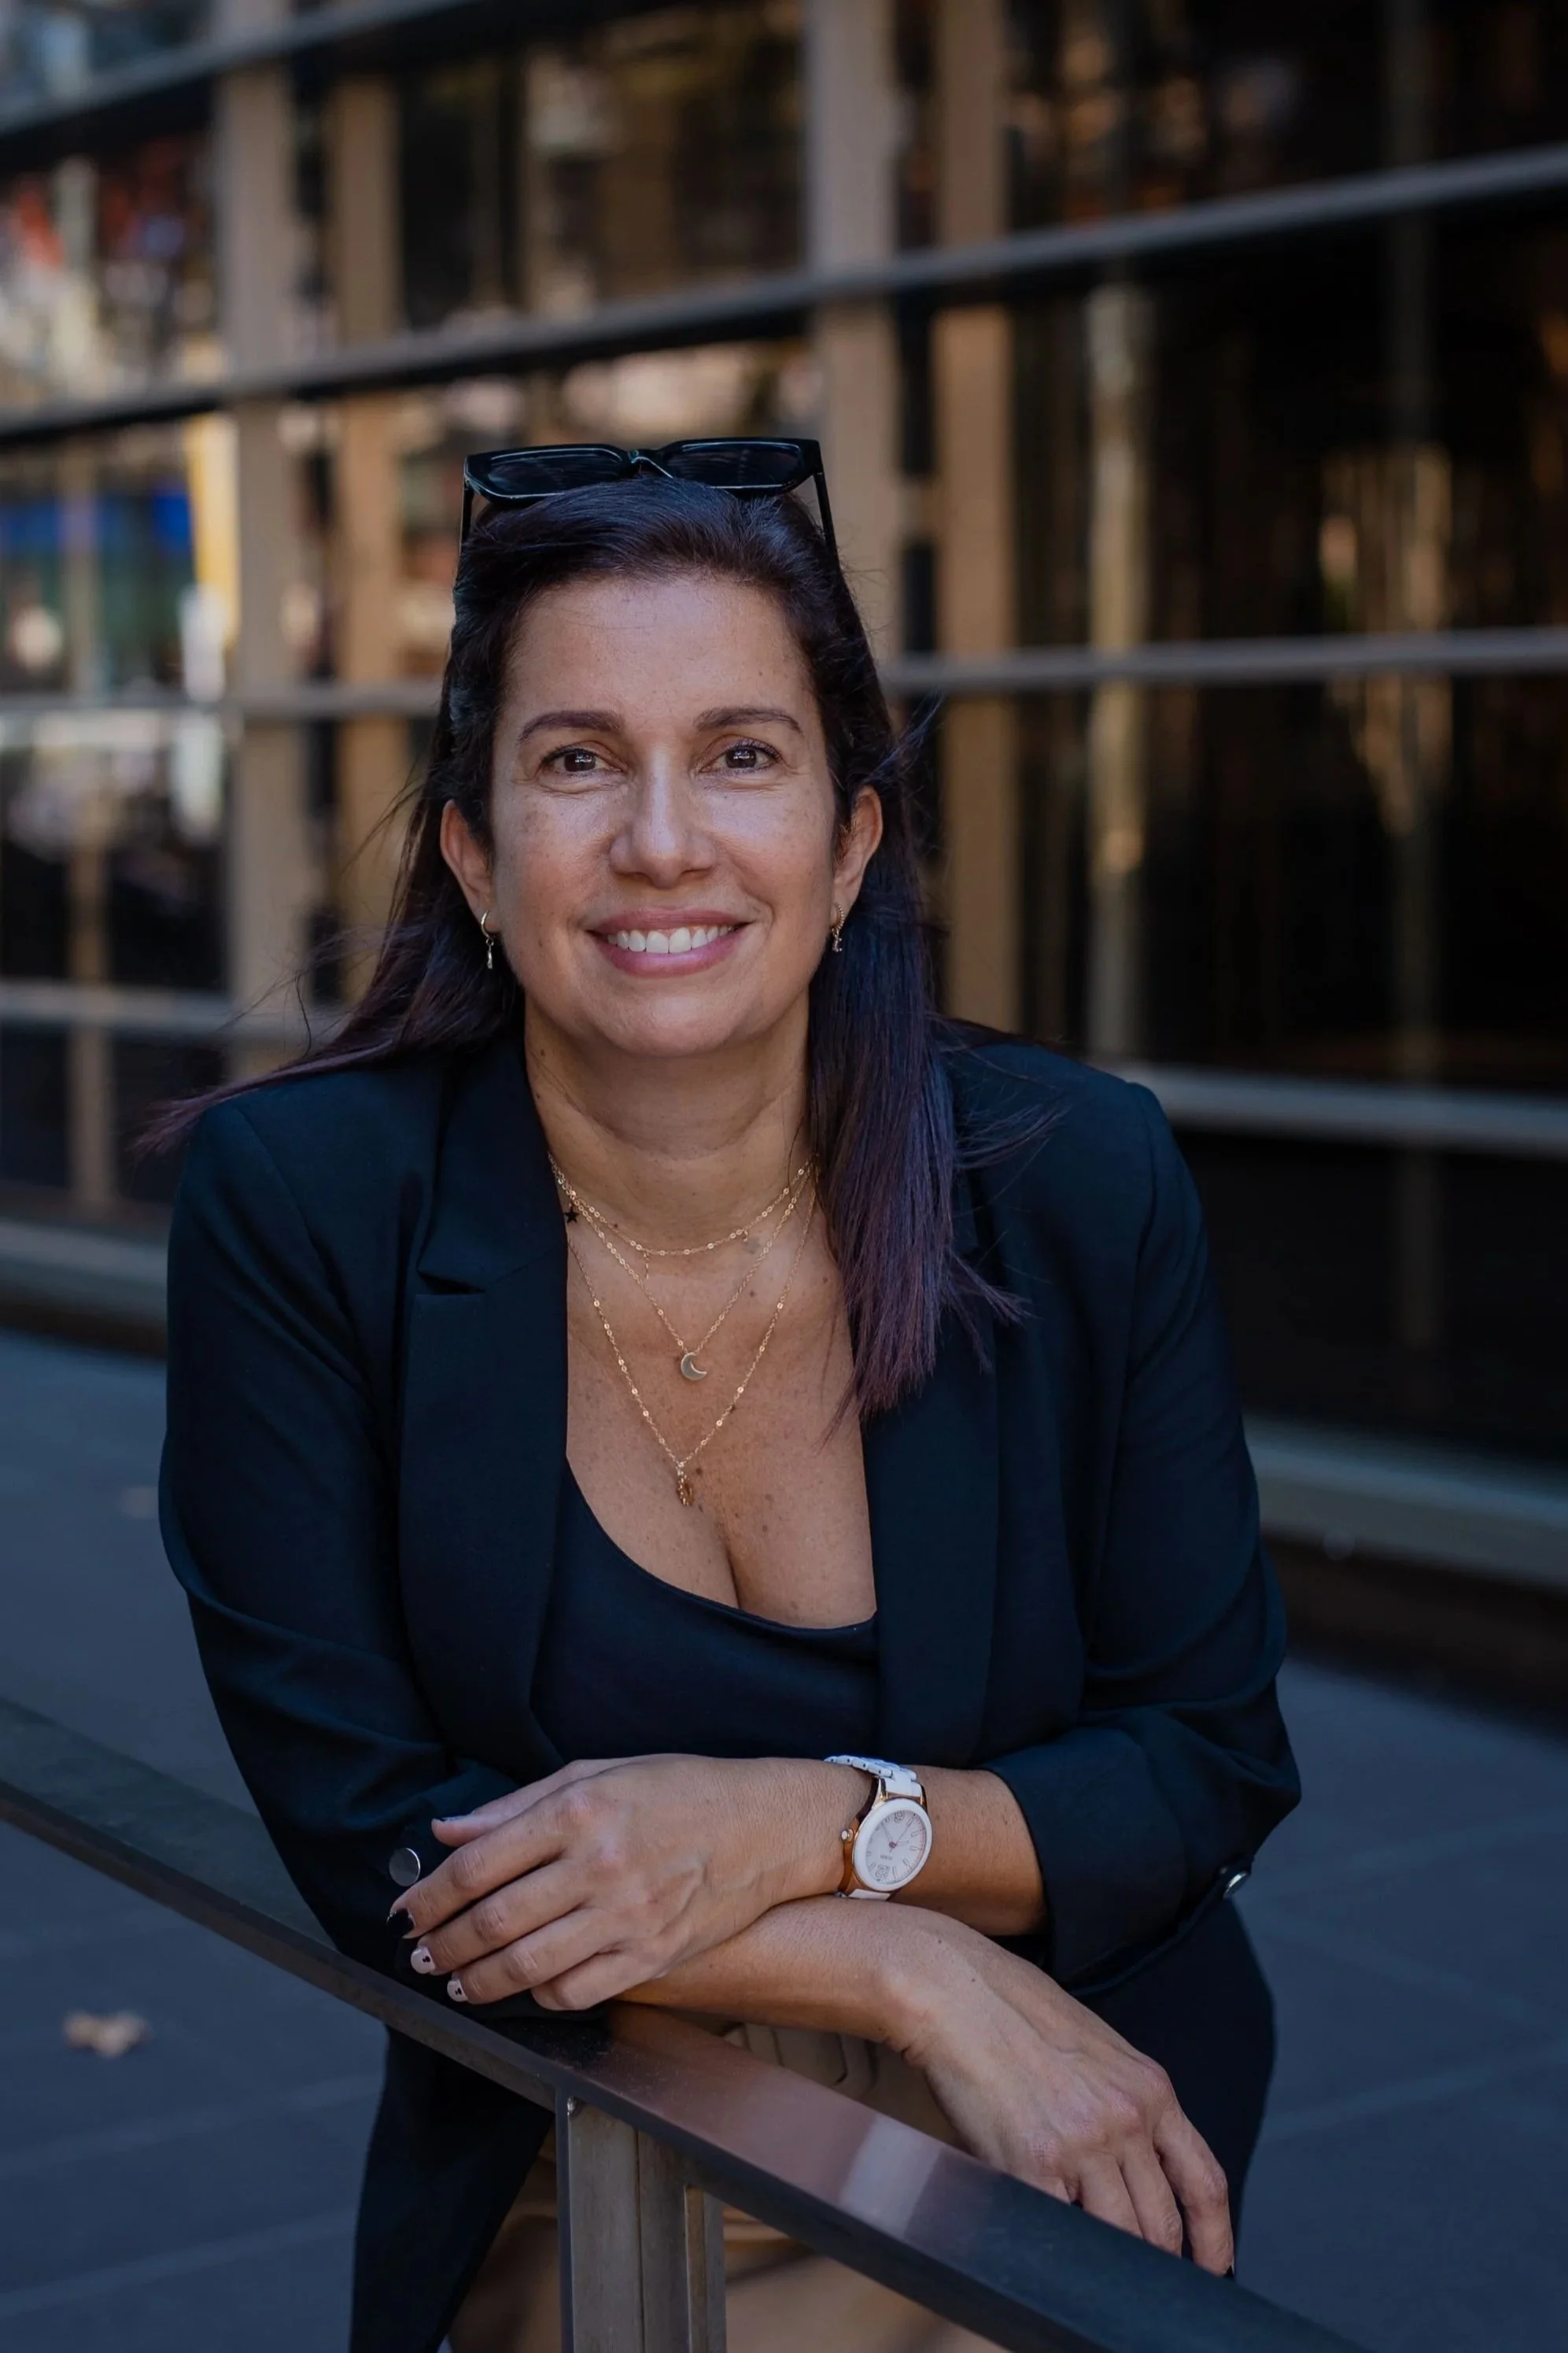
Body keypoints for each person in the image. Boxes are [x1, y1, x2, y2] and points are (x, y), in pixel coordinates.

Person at [159, 443, 1299, 2353]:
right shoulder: (307, 1209)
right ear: (473, 849)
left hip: (1057, 2132)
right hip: (595, 2123)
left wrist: (797, 1819)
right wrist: (906, 1969)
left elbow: (1202, 1760)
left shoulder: (1080, 1178)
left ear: (852, 848)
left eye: (745, 754)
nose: (664, 840)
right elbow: (378, 1839)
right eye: (579, 759)